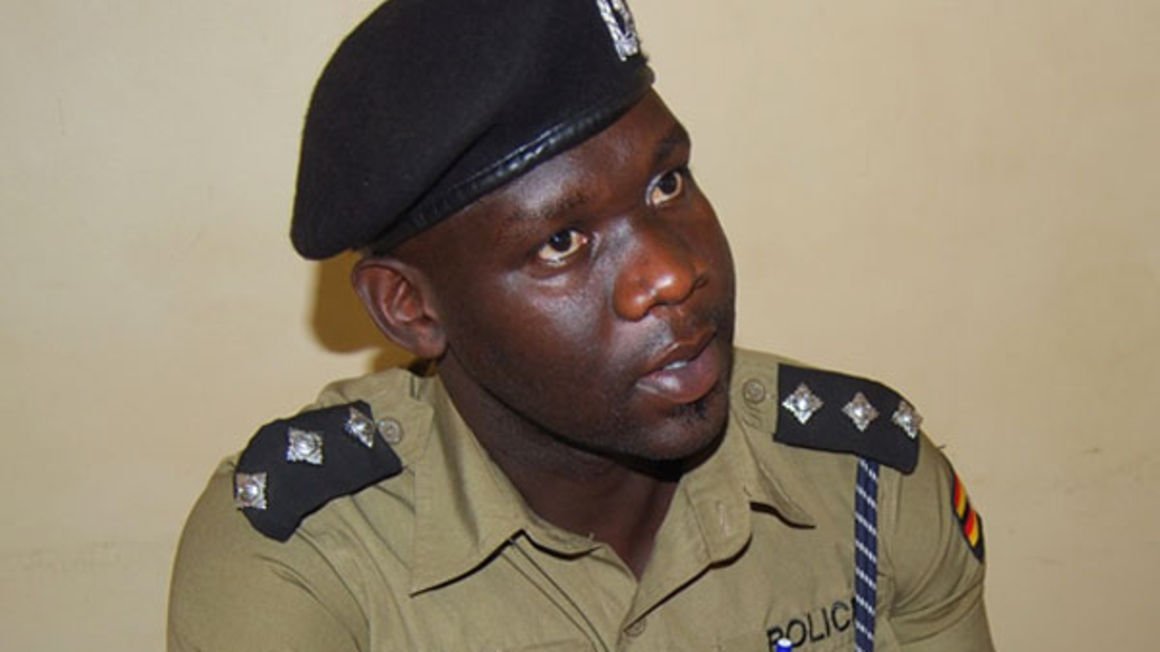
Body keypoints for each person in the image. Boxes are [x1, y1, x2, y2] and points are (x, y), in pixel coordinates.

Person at [168, 1, 994, 650]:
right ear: (411, 308)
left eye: (668, 184)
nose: (671, 273)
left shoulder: (863, 485)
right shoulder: (308, 562)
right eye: (562, 242)